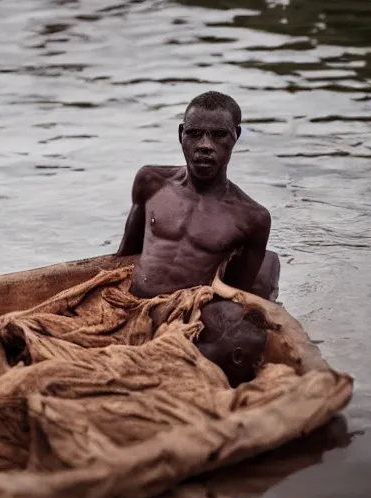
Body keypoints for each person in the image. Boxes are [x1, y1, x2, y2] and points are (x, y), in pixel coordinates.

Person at [115, 91, 279, 386]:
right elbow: (124, 258)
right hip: (131, 304)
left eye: (218, 135)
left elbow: (235, 295)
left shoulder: (252, 218)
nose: (205, 146)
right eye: (195, 134)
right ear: (181, 135)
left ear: (236, 137)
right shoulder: (151, 181)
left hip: (187, 319)